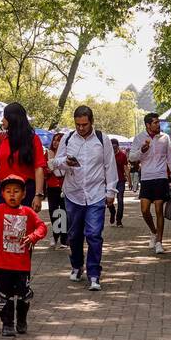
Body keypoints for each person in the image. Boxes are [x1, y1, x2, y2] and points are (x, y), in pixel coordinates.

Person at [50, 106, 117, 290]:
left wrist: (111, 192)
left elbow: (109, 166)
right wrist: (65, 162)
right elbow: (55, 164)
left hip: (96, 194)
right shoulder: (68, 138)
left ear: (91, 122)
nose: (81, 128)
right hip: (73, 194)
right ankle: (77, 265)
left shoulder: (102, 140)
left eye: (84, 124)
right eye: (78, 124)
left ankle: (94, 274)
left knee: (94, 234)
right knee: (74, 234)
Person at [0, 177, 47, 337]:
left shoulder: (28, 212)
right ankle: (7, 324)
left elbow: (42, 226)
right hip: (2, 265)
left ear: (23, 193)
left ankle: (21, 320)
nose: (12, 195)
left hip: (22, 266)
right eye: (8, 192)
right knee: (4, 296)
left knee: (23, 296)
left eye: (16, 191)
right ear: (2, 194)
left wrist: (34, 236)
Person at [130, 112, 171, 254]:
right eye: (155, 122)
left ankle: (159, 242)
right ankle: (153, 232)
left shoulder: (165, 138)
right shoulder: (139, 138)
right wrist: (141, 151)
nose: (158, 125)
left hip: (161, 177)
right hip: (146, 178)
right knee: (144, 210)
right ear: (148, 125)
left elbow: (170, 159)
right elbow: (131, 158)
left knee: (159, 209)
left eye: (158, 122)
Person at [0, 102, 46, 214]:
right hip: (2, 193)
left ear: (13, 118)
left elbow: (39, 167)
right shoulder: (1, 138)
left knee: (24, 229)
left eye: (5, 117)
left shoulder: (33, 139)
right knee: (4, 228)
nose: (2, 120)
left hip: (25, 193)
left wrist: (38, 195)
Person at [43, 132, 66, 247]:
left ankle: (64, 238)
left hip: (64, 187)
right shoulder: (48, 153)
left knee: (63, 212)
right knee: (53, 212)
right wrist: (49, 169)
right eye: (55, 140)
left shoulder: (66, 155)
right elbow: (43, 170)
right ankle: (56, 234)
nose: (56, 142)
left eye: (59, 140)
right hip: (51, 187)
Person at [109, 137, 127, 226]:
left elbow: (125, 167)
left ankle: (119, 220)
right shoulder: (107, 155)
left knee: (120, 200)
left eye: (115, 146)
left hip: (120, 181)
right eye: (112, 146)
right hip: (110, 181)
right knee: (108, 201)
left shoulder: (122, 155)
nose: (114, 148)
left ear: (118, 146)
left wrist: (130, 181)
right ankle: (112, 212)